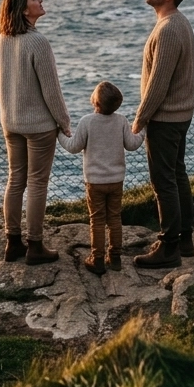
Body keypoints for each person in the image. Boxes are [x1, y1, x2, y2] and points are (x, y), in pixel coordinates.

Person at [0, 0, 72, 265]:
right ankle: (35, 246)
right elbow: (52, 91)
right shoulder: (38, 42)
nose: (40, 0)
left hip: (10, 122)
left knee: (15, 180)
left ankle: (13, 243)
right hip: (38, 126)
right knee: (37, 183)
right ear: (25, 10)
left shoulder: (3, 39)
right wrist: (64, 122)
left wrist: (9, 113)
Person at [131, 0, 194, 269]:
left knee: (163, 182)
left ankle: (168, 247)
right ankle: (184, 240)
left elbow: (158, 84)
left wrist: (140, 118)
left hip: (166, 118)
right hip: (180, 115)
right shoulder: (178, 23)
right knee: (177, 175)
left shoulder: (168, 29)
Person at [57, 81, 144, 275]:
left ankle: (97, 258)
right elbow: (132, 144)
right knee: (114, 218)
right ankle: (115, 257)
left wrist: (60, 133)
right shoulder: (121, 120)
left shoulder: (87, 121)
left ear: (95, 101)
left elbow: (73, 147)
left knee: (96, 220)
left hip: (94, 182)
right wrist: (143, 129)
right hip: (116, 180)